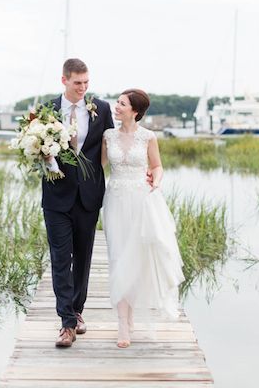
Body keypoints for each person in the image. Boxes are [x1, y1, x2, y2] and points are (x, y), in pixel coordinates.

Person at [101, 89, 185, 348]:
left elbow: (157, 166)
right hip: (114, 200)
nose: (116, 107)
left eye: (122, 104)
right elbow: (97, 165)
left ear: (135, 111)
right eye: (117, 102)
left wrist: (156, 181)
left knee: (135, 257)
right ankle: (123, 324)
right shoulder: (108, 135)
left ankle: (131, 313)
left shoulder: (148, 137)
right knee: (117, 257)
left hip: (141, 200)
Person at [42, 58, 114, 347]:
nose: (83, 88)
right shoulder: (47, 110)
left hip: (89, 196)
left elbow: (109, 144)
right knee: (61, 259)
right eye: (77, 83)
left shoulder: (102, 108)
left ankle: (78, 310)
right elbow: (37, 148)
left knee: (83, 258)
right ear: (64, 81)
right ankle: (67, 324)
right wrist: (46, 160)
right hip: (56, 195)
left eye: (86, 82)